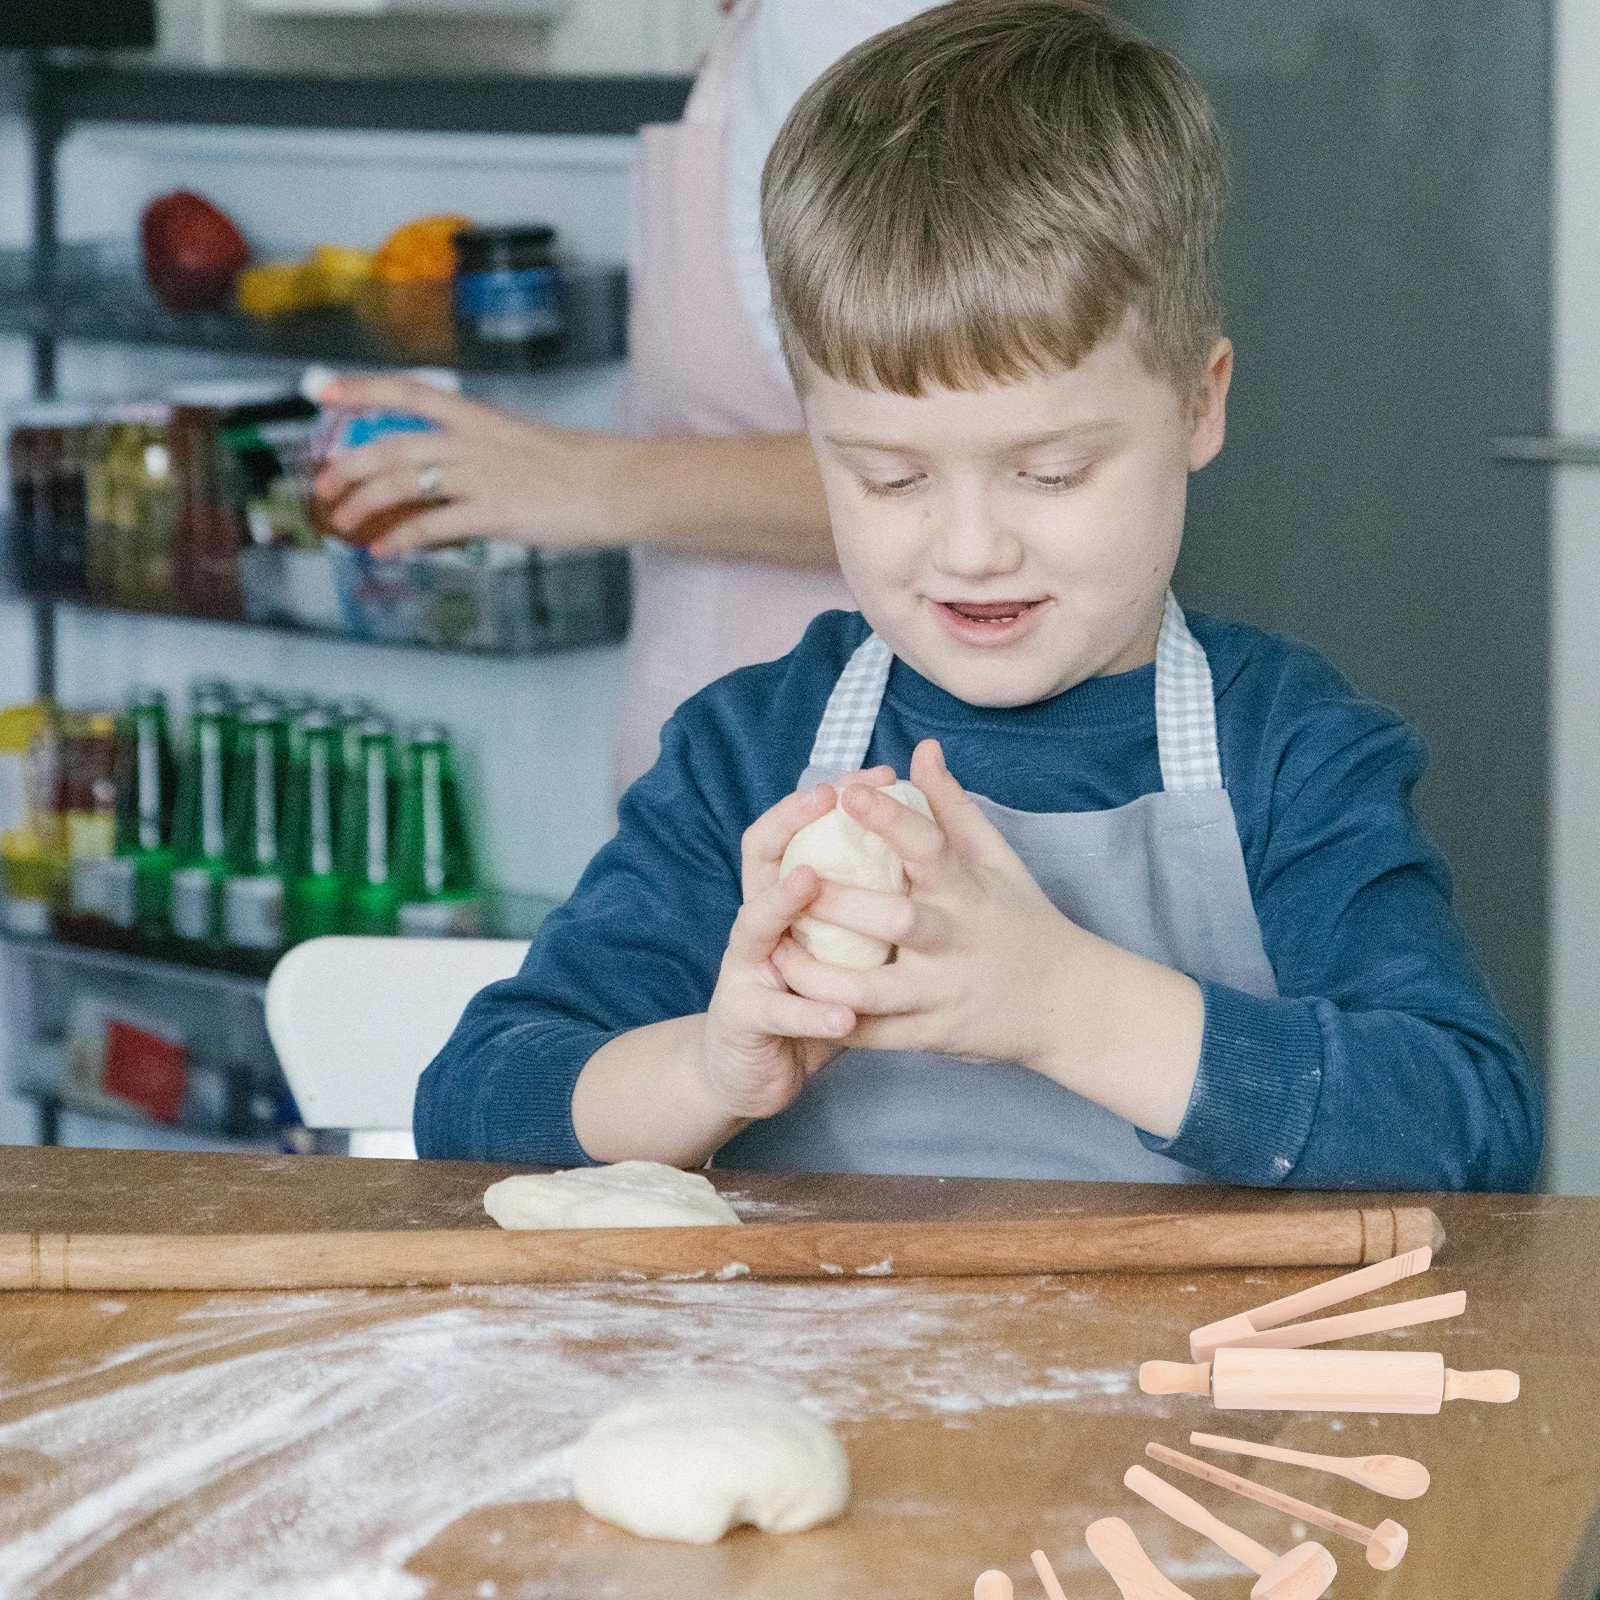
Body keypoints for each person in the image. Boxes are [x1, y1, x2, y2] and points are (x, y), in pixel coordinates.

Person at [413, 0, 1544, 1190]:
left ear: (1199, 404)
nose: (969, 548)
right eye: (887, 475)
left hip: (1193, 1377)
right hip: (819, 1377)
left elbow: (1469, 1134)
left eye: (1049, 472)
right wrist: (708, 1070)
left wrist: (1063, 1002)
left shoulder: (1289, 754)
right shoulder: (750, 753)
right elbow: (475, 1102)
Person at [313, 0, 932, 795]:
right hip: (739, 789)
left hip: (829, 783)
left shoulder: (841, 23)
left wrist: (584, 481)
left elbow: (957, 466)